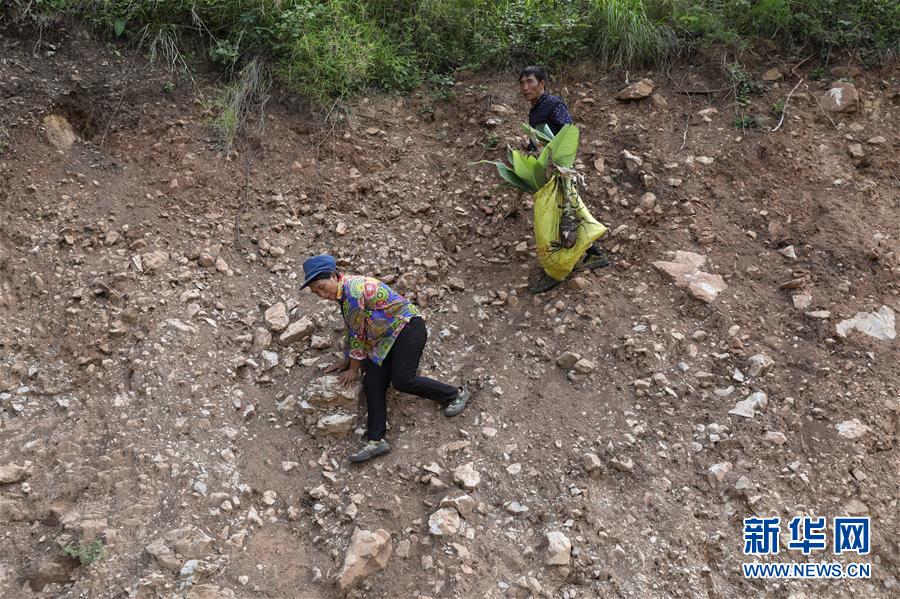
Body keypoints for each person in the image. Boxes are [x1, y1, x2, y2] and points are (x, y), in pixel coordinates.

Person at [301, 254, 471, 463]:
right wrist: (347, 360)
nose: (320, 294)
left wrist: (353, 368)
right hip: (385, 339)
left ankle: (455, 394)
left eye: (321, 287)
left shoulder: (353, 292)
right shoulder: (344, 293)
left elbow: (358, 335)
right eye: (315, 291)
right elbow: (354, 329)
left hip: (408, 328)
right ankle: (376, 440)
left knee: (403, 380)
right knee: (372, 382)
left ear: (334, 276)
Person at [518, 66, 610, 294]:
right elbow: (541, 140)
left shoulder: (553, 104)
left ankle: (559, 268)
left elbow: (567, 132)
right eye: (522, 83)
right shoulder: (534, 111)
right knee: (563, 216)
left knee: (559, 217)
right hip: (549, 173)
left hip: (560, 172)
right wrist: (529, 148)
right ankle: (592, 254)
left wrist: (556, 159)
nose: (525, 87)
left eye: (529, 82)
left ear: (542, 84)